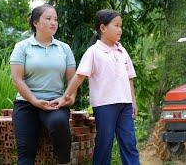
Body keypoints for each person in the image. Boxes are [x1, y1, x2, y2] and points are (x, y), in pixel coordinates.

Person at [52, 9, 140, 165]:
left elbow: (130, 78)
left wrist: (133, 101)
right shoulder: (93, 52)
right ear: (103, 28)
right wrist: (66, 96)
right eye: (116, 25)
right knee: (104, 143)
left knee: (129, 143)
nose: (120, 29)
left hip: (125, 105)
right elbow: (79, 76)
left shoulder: (122, 50)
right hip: (105, 105)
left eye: (121, 26)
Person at [10, 4, 76, 165]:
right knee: (26, 151)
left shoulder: (64, 48)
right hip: (26, 104)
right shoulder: (22, 47)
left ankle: (64, 162)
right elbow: (17, 79)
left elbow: (72, 81)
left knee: (59, 122)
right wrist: (34, 101)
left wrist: (69, 98)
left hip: (55, 103)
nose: (53, 22)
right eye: (48, 18)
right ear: (36, 23)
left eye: (56, 19)